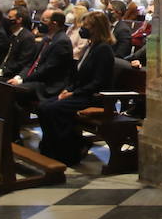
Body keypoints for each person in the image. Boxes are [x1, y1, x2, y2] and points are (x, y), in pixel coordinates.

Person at [37, 10, 116, 166]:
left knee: (54, 109)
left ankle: (68, 153)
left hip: (94, 97)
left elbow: (98, 82)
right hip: (80, 93)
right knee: (43, 107)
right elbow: (78, 74)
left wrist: (73, 92)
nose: (83, 29)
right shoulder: (91, 46)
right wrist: (68, 89)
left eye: (87, 26)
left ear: (97, 28)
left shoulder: (103, 49)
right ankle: (51, 149)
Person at [9, 8, 75, 103]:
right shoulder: (46, 39)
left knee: (15, 90)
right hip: (37, 80)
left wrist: (23, 81)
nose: (40, 23)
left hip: (48, 85)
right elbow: (31, 64)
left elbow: (47, 70)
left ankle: (18, 118)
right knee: (7, 86)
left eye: (44, 20)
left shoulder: (62, 42)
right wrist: (19, 77)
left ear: (54, 23)